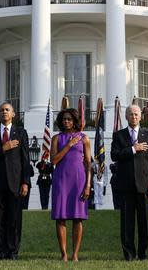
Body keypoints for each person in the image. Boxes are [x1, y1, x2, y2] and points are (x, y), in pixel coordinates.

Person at [0, 102, 30, 260]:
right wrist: (4, 147)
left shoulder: (21, 133)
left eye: (7, 110)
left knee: (14, 219)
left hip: (16, 183)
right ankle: (0, 252)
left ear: (13, 114)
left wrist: (25, 182)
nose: (4, 112)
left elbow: (25, 160)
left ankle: (13, 251)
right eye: (1, 110)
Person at [111, 104, 148, 261]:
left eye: (137, 114)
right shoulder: (119, 135)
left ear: (141, 116)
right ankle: (129, 254)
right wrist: (133, 148)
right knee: (127, 223)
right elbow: (114, 155)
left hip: (144, 185)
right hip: (125, 185)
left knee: (144, 223)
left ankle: (143, 254)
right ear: (126, 116)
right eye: (131, 114)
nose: (134, 117)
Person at [50, 108, 91, 262]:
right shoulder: (56, 138)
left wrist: (88, 185)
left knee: (77, 218)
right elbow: (53, 160)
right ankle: (64, 254)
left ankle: (75, 255)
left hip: (79, 181)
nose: (66, 122)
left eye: (69, 119)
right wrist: (68, 145)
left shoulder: (84, 138)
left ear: (75, 120)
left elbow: (88, 164)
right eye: (64, 119)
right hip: (61, 180)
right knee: (60, 218)